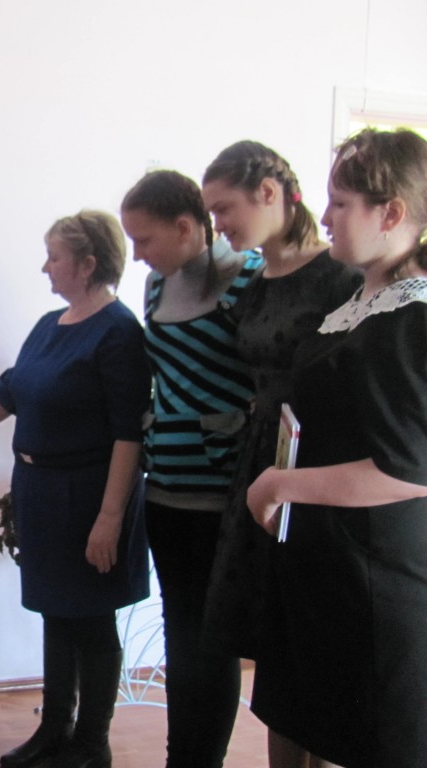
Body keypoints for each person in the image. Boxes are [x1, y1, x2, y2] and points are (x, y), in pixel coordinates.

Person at [0, 210, 151, 768]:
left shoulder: (118, 332)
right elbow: (9, 393)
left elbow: (128, 434)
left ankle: (91, 744)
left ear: (87, 264)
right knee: (54, 612)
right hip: (40, 491)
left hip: (90, 495)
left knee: (91, 618)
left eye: (54, 258)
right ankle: (54, 731)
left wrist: (110, 517)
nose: (45, 268)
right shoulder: (49, 325)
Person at [247, 127, 427, 768]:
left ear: (392, 213)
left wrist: (281, 483)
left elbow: (408, 470)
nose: (324, 218)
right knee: (306, 724)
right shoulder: (359, 300)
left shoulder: (412, 318)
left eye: (341, 203)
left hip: (372, 576)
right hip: (323, 567)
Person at [198, 141, 362, 768]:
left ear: (269, 193)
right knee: (274, 643)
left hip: (316, 462)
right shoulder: (252, 279)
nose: (219, 224)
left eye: (225, 208)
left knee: (314, 639)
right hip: (261, 456)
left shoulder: (339, 276)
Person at [120, 170, 262, 768]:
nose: (136, 255)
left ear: (185, 227)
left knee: (212, 638)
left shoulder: (249, 278)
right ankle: (182, 757)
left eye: (144, 239)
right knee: (180, 633)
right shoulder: (156, 285)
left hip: (223, 492)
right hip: (166, 487)